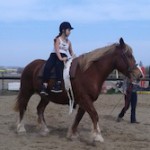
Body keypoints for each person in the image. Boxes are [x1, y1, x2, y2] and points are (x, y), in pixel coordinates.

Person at [40, 21, 75, 95]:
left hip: (63, 56)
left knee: (59, 66)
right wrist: (60, 58)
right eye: (68, 30)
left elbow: (71, 52)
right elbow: (57, 50)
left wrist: (75, 58)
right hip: (54, 55)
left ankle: (58, 84)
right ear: (63, 30)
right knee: (48, 66)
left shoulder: (69, 42)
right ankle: (44, 86)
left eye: (70, 30)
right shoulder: (57, 39)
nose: (70, 32)